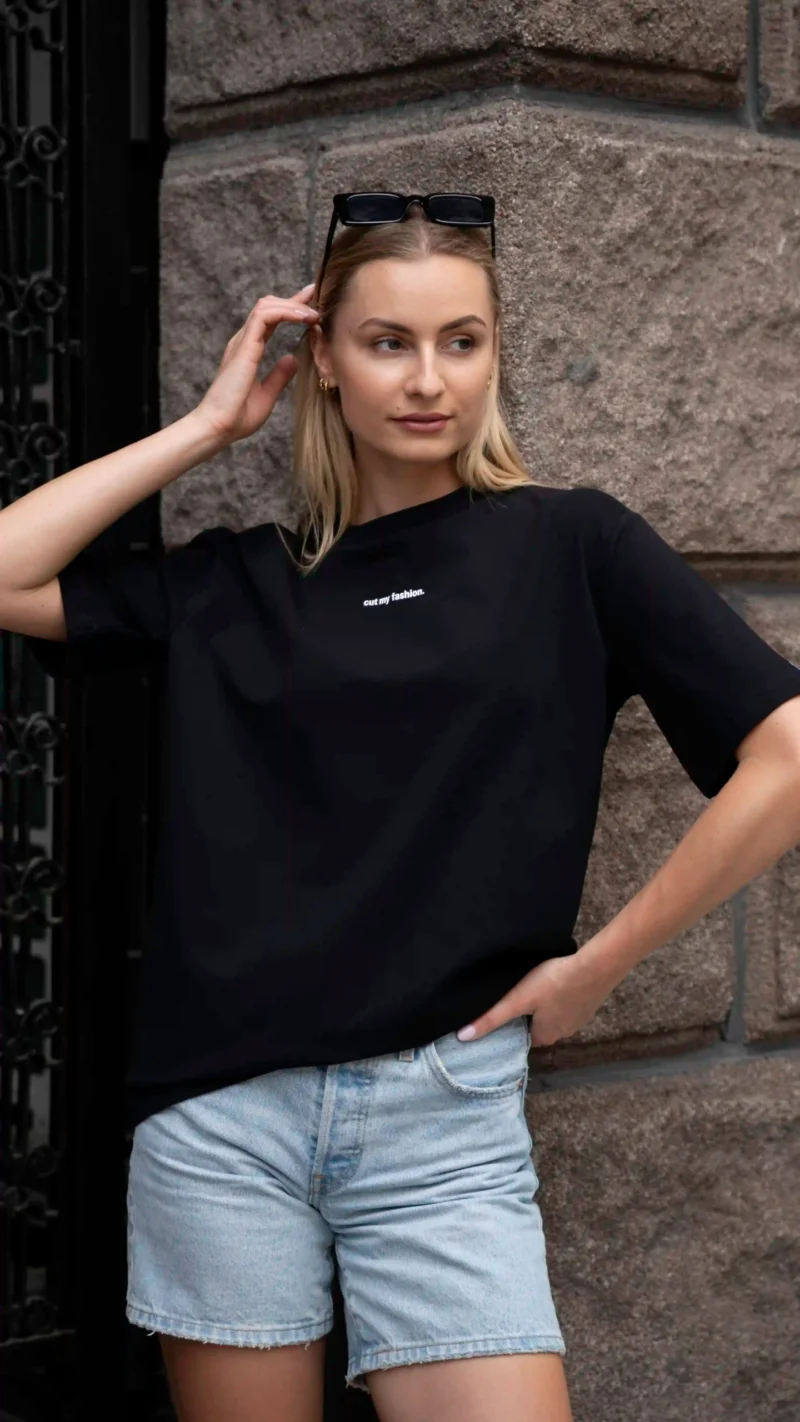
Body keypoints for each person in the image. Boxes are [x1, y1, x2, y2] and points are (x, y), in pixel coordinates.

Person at [3, 192, 800, 1422]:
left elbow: (786, 756)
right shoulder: (235, 584)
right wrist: (210, 426)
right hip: (222, 1121)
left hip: (445, 1121)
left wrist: (598, 968)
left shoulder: (572, 548)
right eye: (387, 342)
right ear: (320, 359)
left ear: (493, 353)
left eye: (460, 341)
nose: (429, 379)